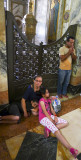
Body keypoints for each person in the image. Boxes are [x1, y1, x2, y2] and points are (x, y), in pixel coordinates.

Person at [39, 87, 79, 158]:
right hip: (43, 118)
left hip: (49, 116)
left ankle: (47, 129)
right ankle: (71, 149)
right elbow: (45, 112)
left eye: (48, 92)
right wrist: (52, 120)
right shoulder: (41, 101)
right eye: (47, 92)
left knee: (66, 123)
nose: (49, 93)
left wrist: (55, 116)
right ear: (43, 94)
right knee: (57, 132)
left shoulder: (48, 100)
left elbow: (51, 109)